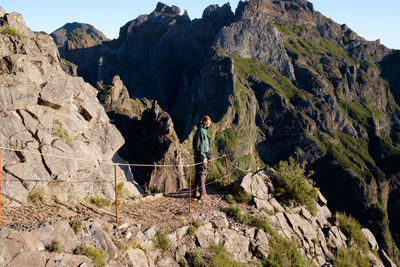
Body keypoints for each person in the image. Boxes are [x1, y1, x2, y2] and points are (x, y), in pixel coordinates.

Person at [192, 115, 211, 200]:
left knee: (197, 173)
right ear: (204, 122)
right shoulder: (201, 131)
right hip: (201, 155)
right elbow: (200, 146)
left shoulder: (201, 130)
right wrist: (203, 157)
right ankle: (203, 194)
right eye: (208, 122)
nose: (209, 123)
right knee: (202, 173)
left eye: (209, 122)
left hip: (199, 154)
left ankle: (194, 192)